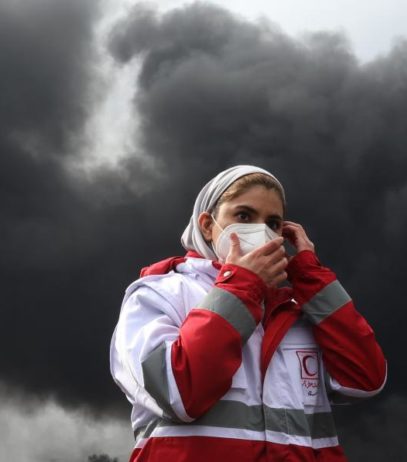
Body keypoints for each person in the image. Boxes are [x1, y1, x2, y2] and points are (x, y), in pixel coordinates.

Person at [110, 165, 387, 461]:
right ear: (207, 225)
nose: (260, 231)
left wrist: (311, 277)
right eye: (244, 216)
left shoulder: (295, 312)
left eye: (273, 223)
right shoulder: (159, 295)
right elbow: (176, 394)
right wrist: (242, 286)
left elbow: (365, 380)